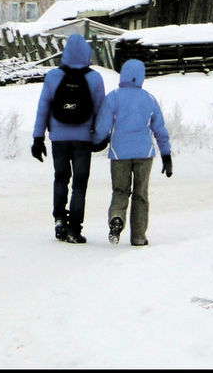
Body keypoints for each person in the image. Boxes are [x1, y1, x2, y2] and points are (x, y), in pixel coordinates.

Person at [31, 33, 106, 244]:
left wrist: (38, 137)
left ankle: (58, 218)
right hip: (83, 139)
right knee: (80, 184)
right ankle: (74, 228)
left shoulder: (53, 76)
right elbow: (101, 111)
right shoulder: (94, 78)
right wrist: (100, 138)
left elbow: (43, 108)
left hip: (59, 139)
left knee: (61, 178)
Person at [92, 58, 172, 247]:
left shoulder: (113, 97)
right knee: (140, 195)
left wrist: (94, 143)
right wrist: (166, 155)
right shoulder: (148, 99)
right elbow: (160, 129)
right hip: (144, 153)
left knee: (120, 191)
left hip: (119, 154)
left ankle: (117, 218)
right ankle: (138, 237)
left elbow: (103, 127)